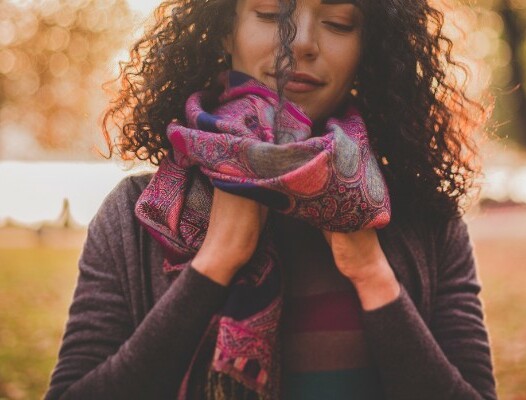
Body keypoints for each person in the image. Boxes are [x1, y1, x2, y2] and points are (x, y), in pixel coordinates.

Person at [45, 0, 497, 399]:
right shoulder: (136, 213)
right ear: (226, 28)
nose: (300, 42)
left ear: (369, 48)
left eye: (338, 22)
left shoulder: (426, 219)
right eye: (271, 14)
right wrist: (213, 264)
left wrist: (373, 276)